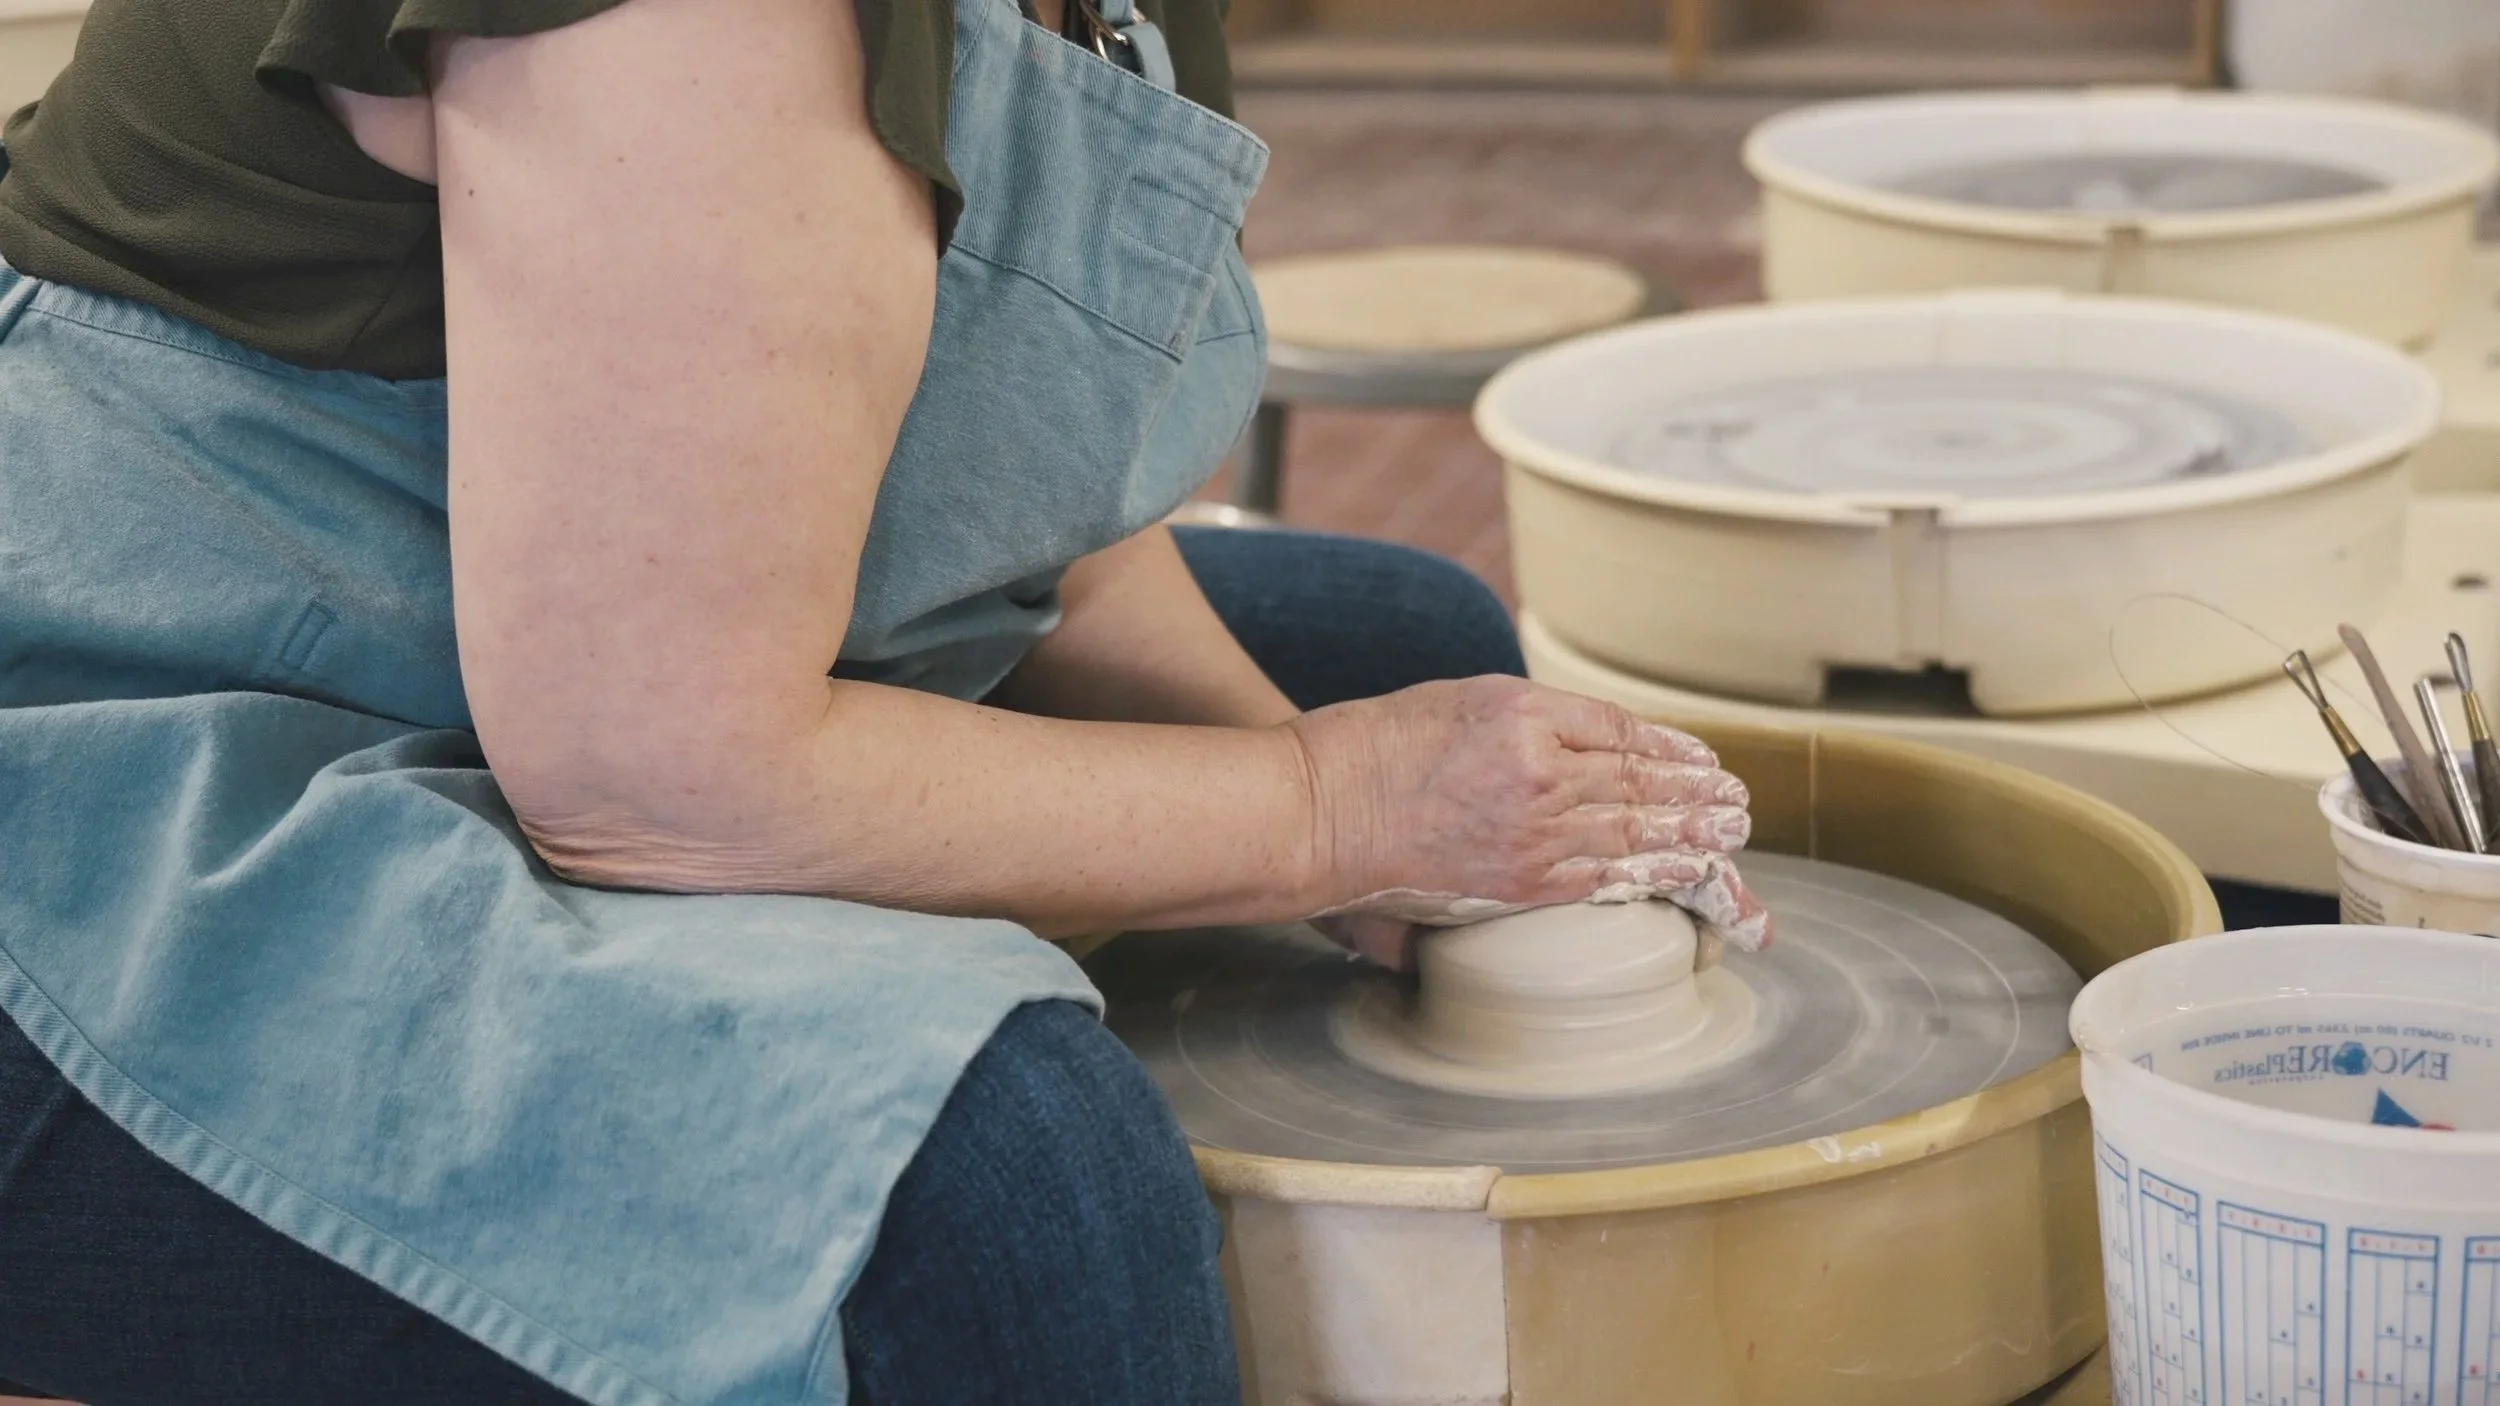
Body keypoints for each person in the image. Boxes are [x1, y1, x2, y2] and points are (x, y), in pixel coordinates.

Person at [0, 0, 1766, 1400]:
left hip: (560, 634)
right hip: (138, 738)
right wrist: (1328, 814)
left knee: (1391, 640)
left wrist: (1334, 790)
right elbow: (659, 775)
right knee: (999, 1179)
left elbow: (1017, 484)